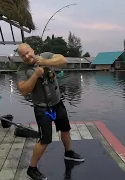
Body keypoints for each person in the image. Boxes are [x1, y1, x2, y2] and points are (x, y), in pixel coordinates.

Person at [16, 43, 85, 180]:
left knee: (65, 129)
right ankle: (32, 168)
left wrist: (45, 62)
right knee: (45, 138)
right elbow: (23, 90)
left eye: (28, 52)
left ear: (32, 50)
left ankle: (68, 152)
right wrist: (35, 75)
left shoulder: (46, 56)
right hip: (42, 108)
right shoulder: (21, 70)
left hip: (57, 103)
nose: (26, 56)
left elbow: (63, 61)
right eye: (23, 55)